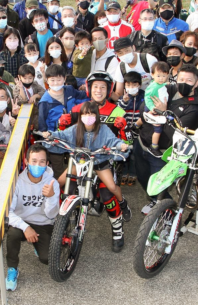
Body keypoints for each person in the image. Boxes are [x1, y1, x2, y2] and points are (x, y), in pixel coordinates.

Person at [42, 101, 131, 251]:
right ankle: (57, 220)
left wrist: (121, 146)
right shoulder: (75, 129)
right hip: (80, 162)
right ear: (80, 115)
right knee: (58, 183)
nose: (88, 116)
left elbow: (114, 141)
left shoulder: (103, 129)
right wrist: (50, 135)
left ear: (97, 116)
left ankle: (121, 213)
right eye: (85, 113)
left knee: (110, 189)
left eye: (91, 113)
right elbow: (61, 135)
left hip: (99, 163)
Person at [135, 65, 198, 213]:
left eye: (189, 80)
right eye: (181, 79)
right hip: (143, 142)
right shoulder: (165, 88)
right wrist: (150, 110)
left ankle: (166, 209)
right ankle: (155, 202)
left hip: (162, 152)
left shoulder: (194, 108)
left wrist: (164, 113)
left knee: (159, 183)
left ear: (196, 83)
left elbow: (176, 134)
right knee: (142, 176)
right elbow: (143, 106)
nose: (184, 82)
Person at [5, 144, 60, 291]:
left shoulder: (52, 182)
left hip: (44, 223)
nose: (38, 165)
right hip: (22, 221)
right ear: (26, 162)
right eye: (34, 161)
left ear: (47, 163)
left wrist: (51, 198)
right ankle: (12, 269)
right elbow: (8, 212)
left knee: (46, 259)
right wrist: (25, 227)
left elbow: (52, 215)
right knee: (13, 234)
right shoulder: (16, 181)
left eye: (42, 161)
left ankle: (37, 244)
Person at [37, 64, 89, 177]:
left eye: (59, 79)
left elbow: (84, 97)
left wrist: (91, 91)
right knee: (58, 168)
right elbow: (42, 124)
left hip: (74, 135)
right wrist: (46, 136)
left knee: (78, 163)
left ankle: (77, 185)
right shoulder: (44, 102)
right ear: (47, 80)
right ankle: (60, 188)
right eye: (52, 80)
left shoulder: (70, 90)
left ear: (64, 79)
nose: (56, 83)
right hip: (55, 139)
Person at [117, 71, 144, 187]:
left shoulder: (144, 96)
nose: (130, 88)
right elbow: (118, 112)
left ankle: (133, 173)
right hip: (125, 131)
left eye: (133, 85)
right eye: (128, 85)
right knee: (125, 151)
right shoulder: (122, 98)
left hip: (138, 130)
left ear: (139, 85)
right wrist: (124, 101)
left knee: (135, 153)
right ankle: (124, 172)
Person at [142, 62, 171, 156]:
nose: (161, 78)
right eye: (158, 76)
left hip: (159, 108)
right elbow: (147, 98)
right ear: (152, 75)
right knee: (158, 129)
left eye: (164, 75)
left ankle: (137, 125)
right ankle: (154, 147)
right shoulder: (153, 87)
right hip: (153, 108)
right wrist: (152, 108)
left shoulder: (163, 84)